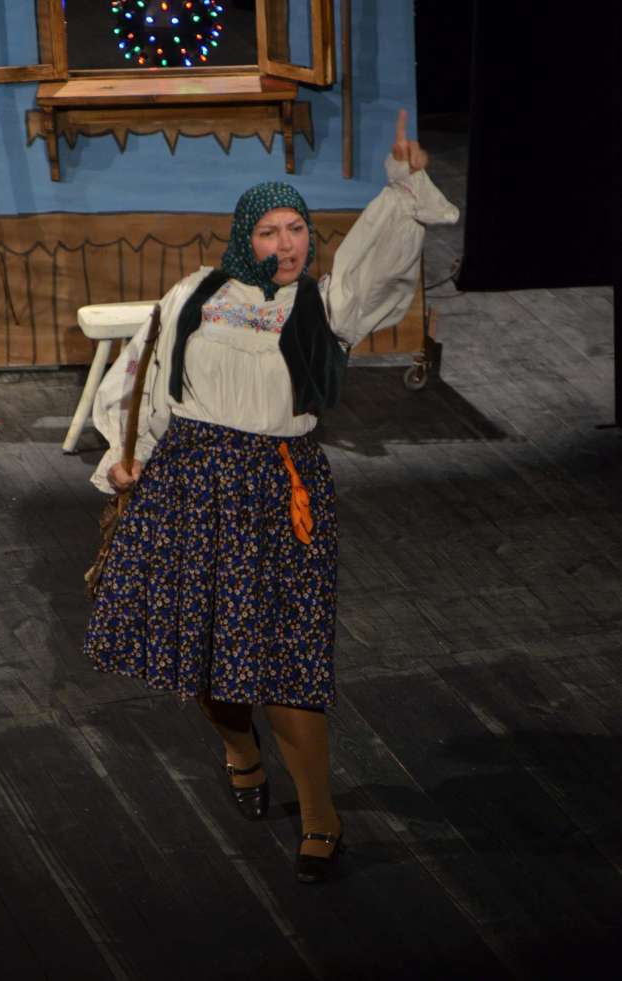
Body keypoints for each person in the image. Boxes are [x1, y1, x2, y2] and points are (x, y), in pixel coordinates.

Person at [84, 110, 459, 883]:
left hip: (277, 493)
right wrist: (131, 459)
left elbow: (377, 266)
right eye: (269, 231)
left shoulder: (322, 306)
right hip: (189, 483)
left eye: (296, 230)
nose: (286, 244)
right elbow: (148, 379)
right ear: (242, 236)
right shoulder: (194, 293)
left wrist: (402, 188)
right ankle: (239, 749)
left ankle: (320, 815)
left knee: (287, 664)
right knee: (204, 658)